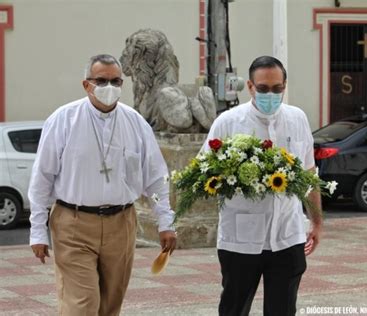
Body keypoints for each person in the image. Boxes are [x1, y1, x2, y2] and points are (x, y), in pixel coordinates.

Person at [28, 54, 177, 316]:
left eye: (116, 81)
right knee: (82, 304)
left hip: (121, 222)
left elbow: (155, 176)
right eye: (102, 81)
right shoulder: (63, 120)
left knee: (110, 304)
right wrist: (37, 230)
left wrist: (165, 222)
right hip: (73, 223)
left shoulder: (135, 123)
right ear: (87, 85)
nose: (110, 87)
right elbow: (42, 178)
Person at [201, 56, 323, 316]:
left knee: (283, 309)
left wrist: (317, 222)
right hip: (241, 239)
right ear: (250, 86)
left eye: (277, 88)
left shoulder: (297, 119)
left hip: (287, 235)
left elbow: (310, 173)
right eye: (264, 88)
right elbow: (204, 172)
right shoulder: (228, 122)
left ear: (285, 86)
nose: (271, 94)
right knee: (234, 308)